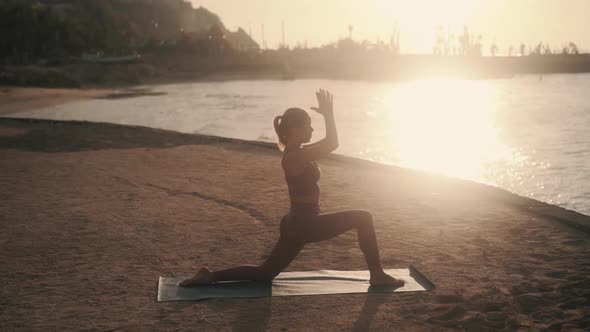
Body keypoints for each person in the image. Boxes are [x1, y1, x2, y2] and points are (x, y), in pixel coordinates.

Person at [179, 89, 404, 287]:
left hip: (295, 222)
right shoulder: (295, 156)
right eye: (308, 126)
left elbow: (325, 144)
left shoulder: (298, 151)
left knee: (265, 273)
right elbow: (333, 143)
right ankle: (377, 274)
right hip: (305, 223)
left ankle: (209, 276)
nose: (312, 130)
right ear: (295, 129)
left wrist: (325, 118)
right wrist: (329, 114)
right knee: (363, 217)